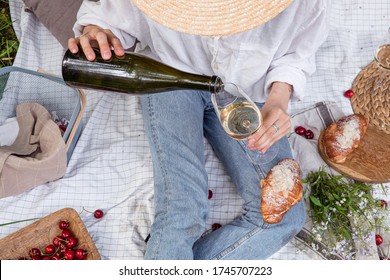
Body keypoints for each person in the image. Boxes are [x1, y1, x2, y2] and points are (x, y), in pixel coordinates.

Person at [68, 0, 330, 259]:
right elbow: (112, 17)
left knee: (283, 216)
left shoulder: (302, 4)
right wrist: (97, 32)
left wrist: (279, 96)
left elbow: (298, 53)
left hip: (248, 89)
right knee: (182, 212)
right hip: (170, 77)